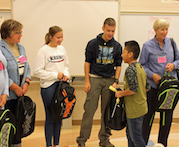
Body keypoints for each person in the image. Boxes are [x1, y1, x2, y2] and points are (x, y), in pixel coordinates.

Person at [76, 17, 122, 147]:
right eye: (108, 30)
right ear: (103, 28)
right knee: (89, 111)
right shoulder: (93, 43)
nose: (110, 33)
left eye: (113, 31)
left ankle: (104, 139)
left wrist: (116, 82)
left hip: (109, 81)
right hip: (94, 78)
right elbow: (87, 63)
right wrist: (87, 81)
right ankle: (82, 140)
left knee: (107, 112)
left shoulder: (117, 46)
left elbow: (119, 65)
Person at [139, 18, 179, 147]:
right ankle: (143, 144)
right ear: (155, 30)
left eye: (166, 29)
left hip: (168, 88)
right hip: (152, 87)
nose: (165, 32)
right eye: (162, 29)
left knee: (166, 119)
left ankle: (163, 144)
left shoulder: (172, 43)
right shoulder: (147, 46)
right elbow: (142, 66)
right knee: (148, 118)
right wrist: (153, 75)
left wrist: (173, 65)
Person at [34, 26, 70, 147]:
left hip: (61, 85)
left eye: (62, 37)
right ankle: (49, 144)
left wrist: (66, 75)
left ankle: (57, 144)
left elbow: (66, 65)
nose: (60, 40)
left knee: (59, 116)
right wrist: (56, 75)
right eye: (58, 37)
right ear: (51, 37)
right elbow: (37, 72)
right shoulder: (43, 51)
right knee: (50, 117)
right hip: (48, 87)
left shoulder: (62, 49)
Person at [0, 19, 31, 147]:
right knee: (6, 129)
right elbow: (4, 72)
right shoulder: (1, 49)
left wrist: (27, 82)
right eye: (17, 32)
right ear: (7, 34)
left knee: (18, 126)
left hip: (20, 96)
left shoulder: (20, 48)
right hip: (8, 96)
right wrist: (15, 88)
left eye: (20, 32)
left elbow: (26, 66)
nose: (20, 35)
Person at [115, 40, 149, 147]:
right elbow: (147, 87)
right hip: (141, 107)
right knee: (130, 135)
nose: (122, 54)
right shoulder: (140, 68)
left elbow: (133, 89)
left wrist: (120, 94)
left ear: (130, 55)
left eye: (124, 52)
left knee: (136, 137)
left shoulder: (130, 70)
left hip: (135, 110)